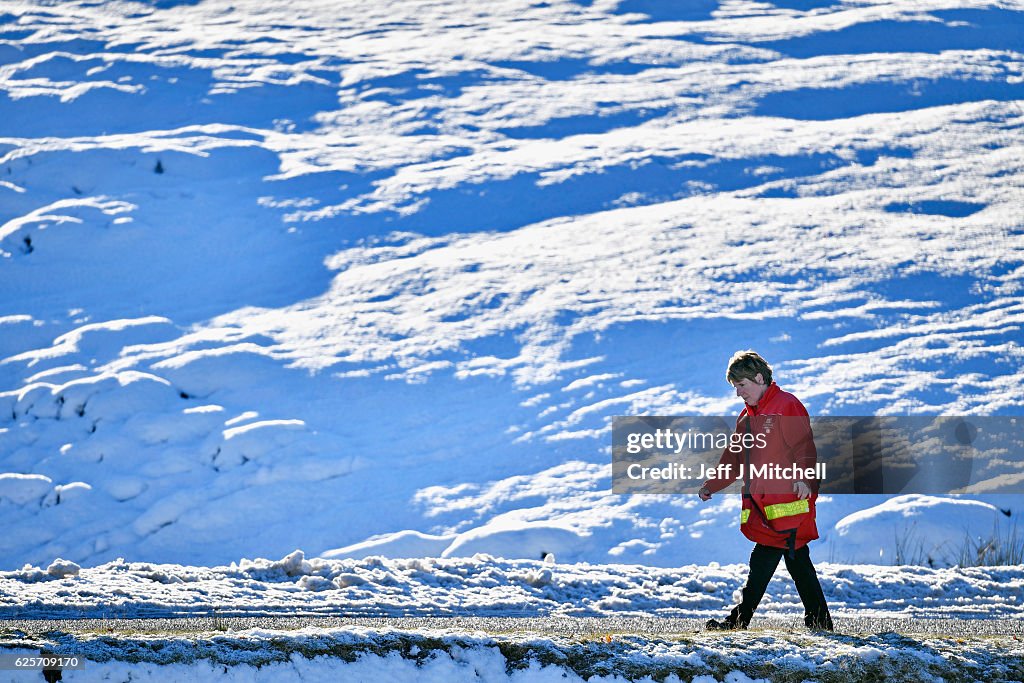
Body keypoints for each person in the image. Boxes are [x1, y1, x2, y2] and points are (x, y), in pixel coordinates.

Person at [698, 350, 833, 631]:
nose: (738, 393)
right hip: (764, 507)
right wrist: (713, 484)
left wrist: (806, 481)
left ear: (759, 378)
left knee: (764, 561)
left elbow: (805, 448)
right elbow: (734, 457)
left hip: (790, 504)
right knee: (797, 564)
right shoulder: (746, 418)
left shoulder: (786, 406)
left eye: (742, 386)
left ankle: (737, 622)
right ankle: (820, 622)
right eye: (735, 388)